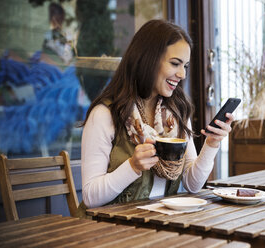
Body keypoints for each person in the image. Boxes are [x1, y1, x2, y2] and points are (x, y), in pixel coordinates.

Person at [77, 19, 234, 216]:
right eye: (175, 63)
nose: (182, 74)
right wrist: (132, 166)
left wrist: (212, 143)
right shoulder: (104, 114)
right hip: (108, 231)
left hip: (155, 226)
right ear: (148, 59)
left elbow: (193, 184)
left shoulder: (175, 113)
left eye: (185, 66)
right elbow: (91, 197)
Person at [42, 2, 73, 67]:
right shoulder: (47, 35)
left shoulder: (67, 34)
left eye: (60, 19)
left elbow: (68, 56)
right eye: (56, 20)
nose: (58, 23)